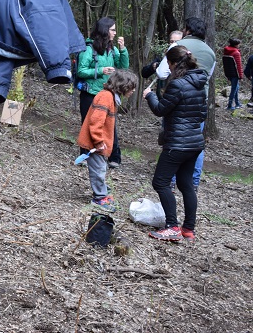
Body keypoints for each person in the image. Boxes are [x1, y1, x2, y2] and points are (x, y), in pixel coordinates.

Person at [143, 46, 207, 241]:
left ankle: (172, 226)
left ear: (173, 64)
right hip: (195, 142)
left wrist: (150, 95)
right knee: (185, 183)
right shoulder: (199, 83)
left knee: (160, 182)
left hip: (178, 144)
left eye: (168, 64)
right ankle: (188, 229)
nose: (168, 68)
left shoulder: (178, 85)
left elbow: (160, 110)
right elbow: (202, 114)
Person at [155, 17, 215, 192]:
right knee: (196, 139)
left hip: (177, 98)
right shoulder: (211, 52)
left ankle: (171, 179)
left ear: (187, 30)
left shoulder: (179, 46)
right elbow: (208, 76)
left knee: (173, 139)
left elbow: (161, 73)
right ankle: (194, 181)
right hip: (199, 100)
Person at [76, 70, 138, 212]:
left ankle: (102, 192)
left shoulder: (111, 98)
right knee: (97, 170)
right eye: (132, 86)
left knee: (101, 169)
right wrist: (98, 141)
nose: (134, 90)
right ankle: (99, 197)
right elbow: (95, 122)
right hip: (94, 143)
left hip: (101, 143)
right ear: (123, 85)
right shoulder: (105, 97)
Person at [76, 17, 130, 168]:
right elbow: (81, 70)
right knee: (88, 123)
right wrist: (101, 70)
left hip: (107, 94)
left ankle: (114, 158)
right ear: (104, 30)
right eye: (112, 29)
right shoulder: (88, 48)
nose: (115, 32)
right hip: (90, 93)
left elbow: (123, 66)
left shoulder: (112, 49)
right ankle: (85, 156)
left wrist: (123, 50)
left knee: (110, 124)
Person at [141, 30, 183, 99]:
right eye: (172, 41)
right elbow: (144, 73)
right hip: (161, 98)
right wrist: (154, 66)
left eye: (177, 42)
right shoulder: (163, 56)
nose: (174, 44)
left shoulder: (185, 59)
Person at [222, 38, 244, 110]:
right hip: (235, 74)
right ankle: (229, 105)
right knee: (234, 89)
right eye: (238, 44)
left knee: (236, 87)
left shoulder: (226, 51)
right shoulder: (236, 53)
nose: (239, 45)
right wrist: (240, 76)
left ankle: (237, 103)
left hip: (229, 73)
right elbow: (238, 65)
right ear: (236, 44)